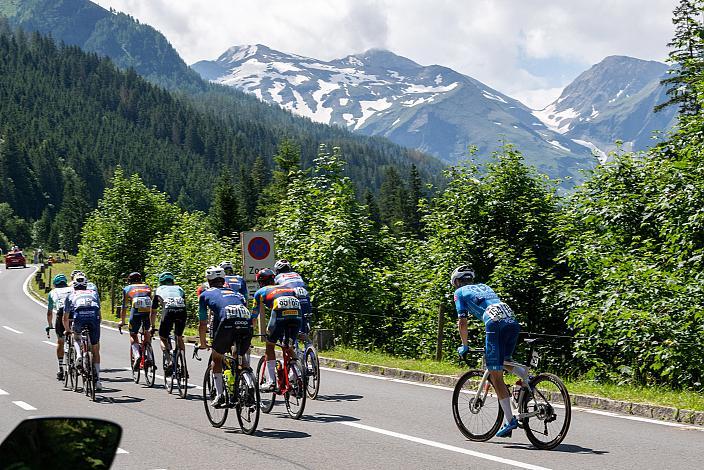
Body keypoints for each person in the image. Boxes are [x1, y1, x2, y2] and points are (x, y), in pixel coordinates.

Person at [451, 265, 526, 438]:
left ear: (456, 282)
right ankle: (525, 377)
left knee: (495, 374)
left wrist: (465, 345)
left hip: (494, 324)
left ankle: (510, 420)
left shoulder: (459, 293)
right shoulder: (485, 287)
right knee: (505, 361)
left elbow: (462, 322)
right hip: (512, 322)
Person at [198, 265, 253, 407]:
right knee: (239, 355)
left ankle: (220, 395)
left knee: (217, 357)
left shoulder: (205, 294)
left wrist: (203, 343)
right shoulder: (238, 294)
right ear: (224, 280)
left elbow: (203, 323)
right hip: (246, 324)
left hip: (227, 323)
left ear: (208, 281)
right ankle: (247, 380)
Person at [252, 268, 302, 392]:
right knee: (288, 345)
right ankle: (296, 375)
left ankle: (271, 382)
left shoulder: (260, 292)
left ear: (260, 282)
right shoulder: (288, 289)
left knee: (270, 346)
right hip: (296, 317)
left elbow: (254, 315)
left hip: (279, 316)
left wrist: (250, 330)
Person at [63, 275, 102, 391]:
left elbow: (65, 318)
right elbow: (100, 313)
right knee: (95, 349)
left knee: (76, 337)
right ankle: (98, 381)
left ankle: (79, 355)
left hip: (79, 317)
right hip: (94, 317)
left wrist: (68, 330)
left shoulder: (70, 295)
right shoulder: (94, 293)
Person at [152, 272, 187, 377]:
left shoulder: (158, 290)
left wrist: (152, 326)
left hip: (168, 311)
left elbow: (153, 311)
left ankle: (169, 360)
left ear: (161, 282)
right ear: (173, 281)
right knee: (179, 336)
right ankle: (184, 366)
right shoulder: (180, 288)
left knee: (163, 337)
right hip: (182, 311)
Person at [118, 272, 154, 371]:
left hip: (136, 311)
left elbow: (124, 307)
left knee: (133, 334)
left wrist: (122, 321)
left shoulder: (127, 288)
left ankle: (137, 355)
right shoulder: (147, 287)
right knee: (147, 332)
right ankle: (149, 356)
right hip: (147, 312)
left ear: (129, 281)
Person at [273, 259, 312, 340]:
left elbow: (275, 291)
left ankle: (289, 337)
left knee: (286, 318)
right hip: (305, 295)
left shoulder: (278, 277)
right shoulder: (297, 274)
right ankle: (305, 336)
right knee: (305, 317)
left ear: (277, 270)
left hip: (292, 297)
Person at [46, 274, 73, 381]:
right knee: (77, 335)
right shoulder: (72, 289)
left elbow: (49, 313)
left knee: (60, 341)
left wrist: (50, 325)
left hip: (62, 314)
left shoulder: (52, 292)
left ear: (54, 284)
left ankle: (61, 368)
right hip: (75, 312)